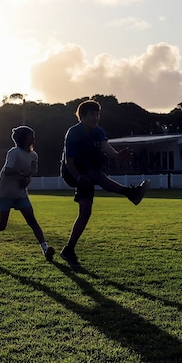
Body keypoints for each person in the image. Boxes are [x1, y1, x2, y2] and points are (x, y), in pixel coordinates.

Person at [60, 100, 150, 270]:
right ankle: (131, 193)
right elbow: (69, 162)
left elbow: (106, 147)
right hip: (72, 173)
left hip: (88, 170)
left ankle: (68, 250)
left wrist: (117, 155)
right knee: (95, 174)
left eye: (98, 114)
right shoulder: (73, 133)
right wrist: (79, 178)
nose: (97, 118)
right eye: (93, 114)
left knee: (85, 213)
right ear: (84, 116)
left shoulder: (98, 131)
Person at [0, 126, 54, 261]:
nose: (34, 138)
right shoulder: (14, 152)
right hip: (6, 192)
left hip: (20, 193)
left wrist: (26, 181)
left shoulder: (34, 155)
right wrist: (20, 174)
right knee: (2, 225)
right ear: (24, 138)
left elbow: (31, 172)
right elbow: (7, 170)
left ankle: (45, 249)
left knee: (33, 222)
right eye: (31, 135)